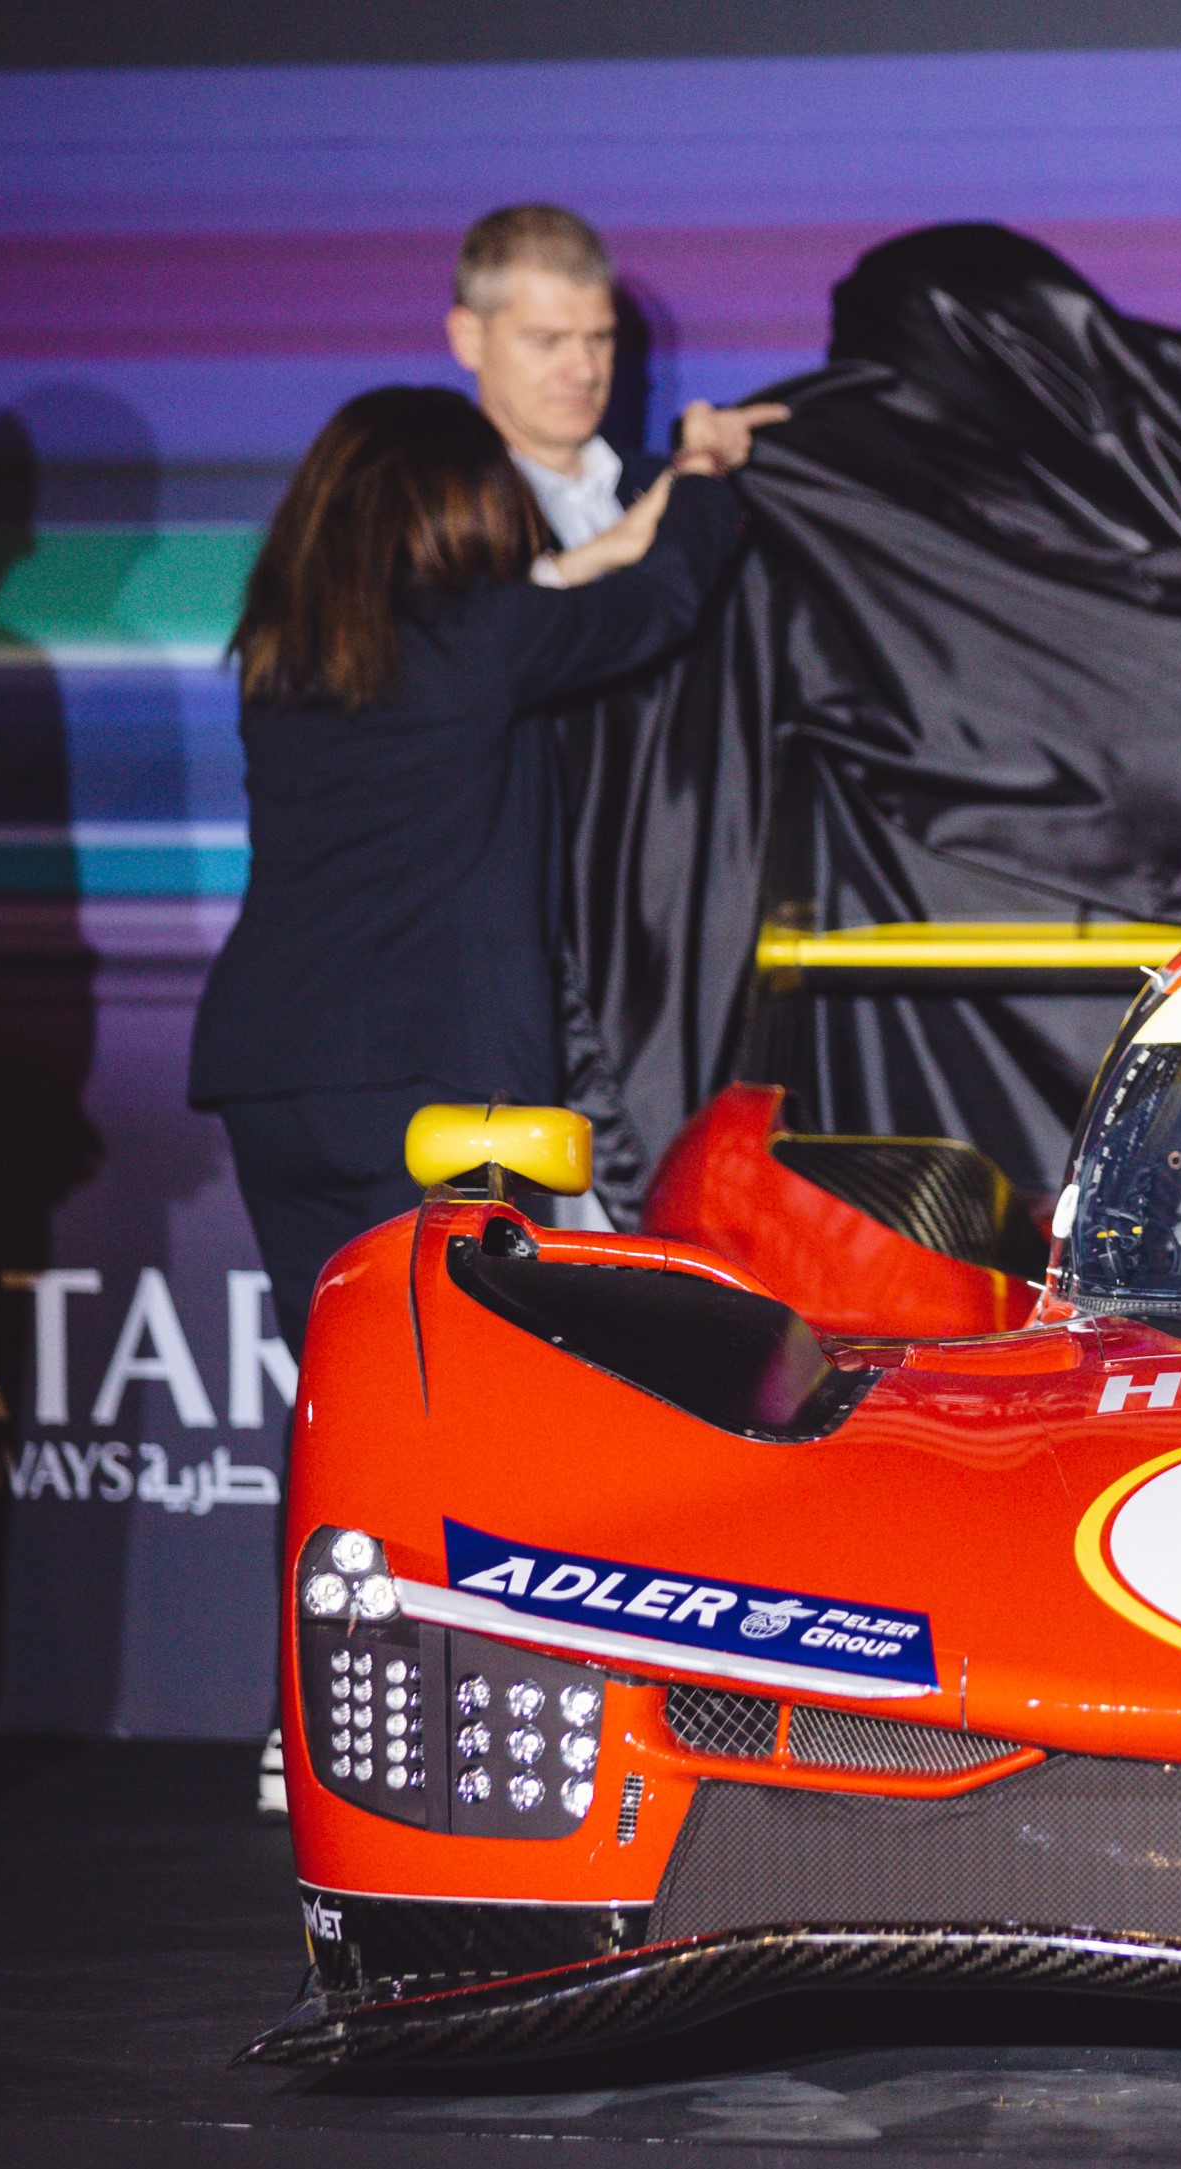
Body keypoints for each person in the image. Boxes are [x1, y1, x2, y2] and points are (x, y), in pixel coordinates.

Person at [189, 388, 747, 1340]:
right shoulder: (485, 642)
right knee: (442, 1383)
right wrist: (700, 473)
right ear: (462, 504)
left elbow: (567, 585)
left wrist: (611, 543)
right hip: (423, 1079)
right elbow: (664, 597)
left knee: (339, 1380)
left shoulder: (282, 654)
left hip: (272, 1070)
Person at [446, 204, 785, 570]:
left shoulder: (668, 484)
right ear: (470, 339)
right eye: (546, 340)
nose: (585, 371)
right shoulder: (435, 513)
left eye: (600, 339)